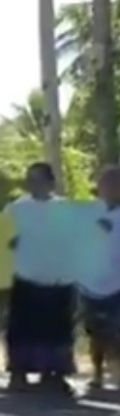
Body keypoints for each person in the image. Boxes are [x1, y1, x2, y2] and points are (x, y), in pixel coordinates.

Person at [3, 162, 76, 394]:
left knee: (56, 329)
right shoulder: (16, 208)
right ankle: (19, 373)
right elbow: (4, 239)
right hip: (26, 275)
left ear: (51, 182)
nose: (33, 184)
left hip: (58, 278)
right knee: (22, 327)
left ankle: (53, 374)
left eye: (38, 179)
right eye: (30, 179)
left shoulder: (65, 209)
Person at [80, 165, 120, 389]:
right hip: (91, 282)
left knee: (116, 330)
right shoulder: (90, 211)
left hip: (117, 283)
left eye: (115, 184)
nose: (109, 188)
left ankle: (117, 373)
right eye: (105, 183)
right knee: (94, 331)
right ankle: (97, 374)